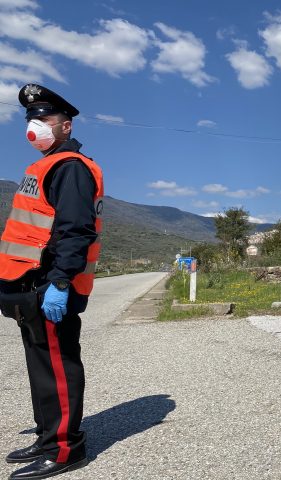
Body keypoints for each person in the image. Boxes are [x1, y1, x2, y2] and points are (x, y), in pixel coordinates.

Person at [0, 84, 104, 479]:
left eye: (43, 118)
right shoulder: (48, 165)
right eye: (30, 118)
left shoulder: (71, 167)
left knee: (58, 367)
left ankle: (65, 450)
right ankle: (48, 437)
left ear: (65, 126)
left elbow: (76, 231)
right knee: (41, 366)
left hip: (49, 286)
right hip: (31, 285)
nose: (34, 125)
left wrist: (61, 282)